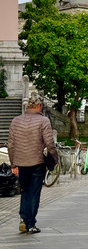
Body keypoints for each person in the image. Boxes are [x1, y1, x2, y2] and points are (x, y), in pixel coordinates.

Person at [8, 92, 58, 234]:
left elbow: (11, 144)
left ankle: (23, 219)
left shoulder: (15, 121)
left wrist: (13, 164)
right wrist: (55, 159)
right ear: (39, 106)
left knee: (25, 191)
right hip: (37, 162)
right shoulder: (43, 121)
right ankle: (31, 224)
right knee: (34, 193)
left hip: (21, 163)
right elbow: (49, 143)